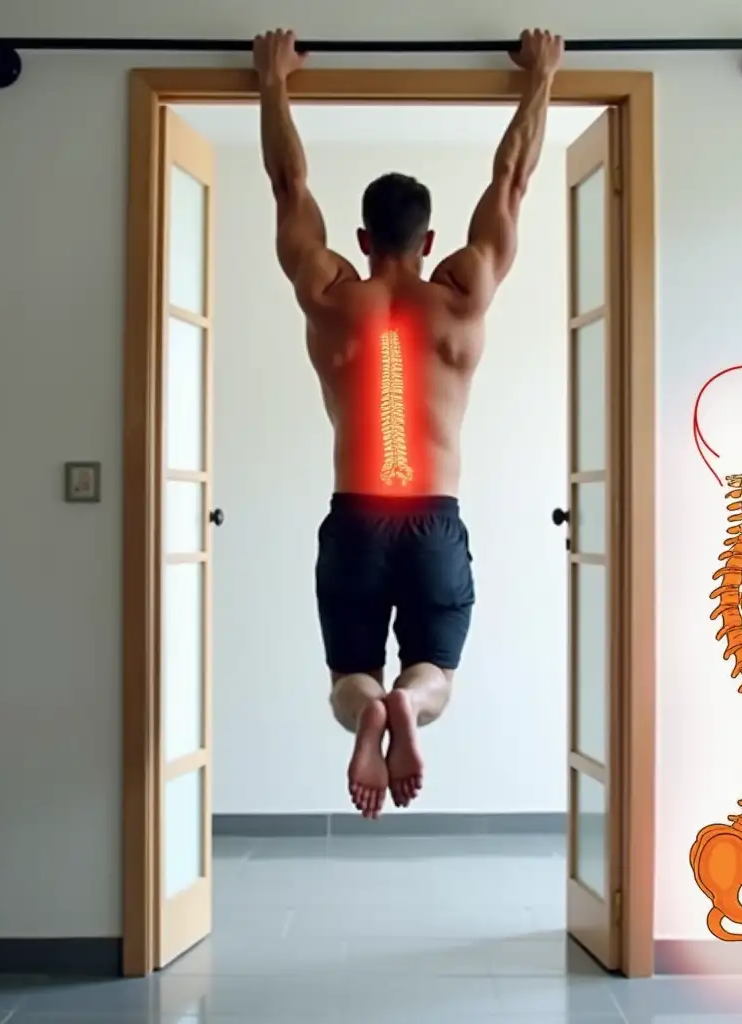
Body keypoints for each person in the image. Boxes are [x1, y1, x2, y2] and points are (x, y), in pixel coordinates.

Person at [253, 27, 565, 818]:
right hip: (433, 520)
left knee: (345, 678)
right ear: (430, 242)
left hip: (356, 515)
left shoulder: (330, 292)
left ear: (361, 240)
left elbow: (289, 186)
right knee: (437, 674)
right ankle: (408, 707)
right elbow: (514, 177)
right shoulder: (462, 292)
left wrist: (273, 78)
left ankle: (367, 709)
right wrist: (541, 79)